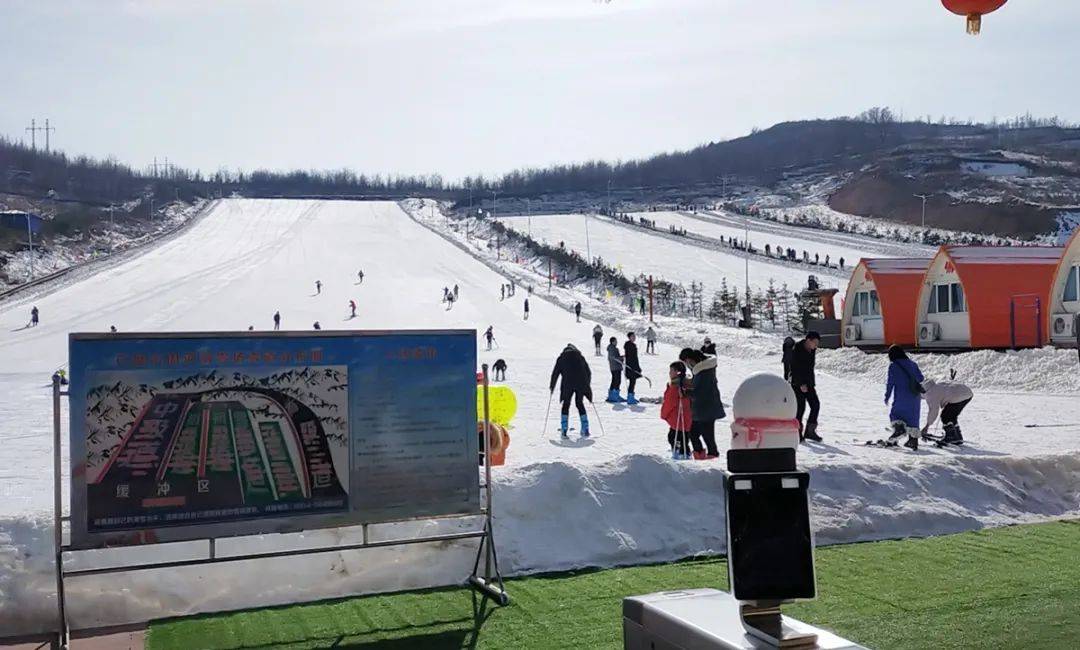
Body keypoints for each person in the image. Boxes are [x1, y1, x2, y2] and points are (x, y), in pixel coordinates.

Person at [678, 348, 724, 459]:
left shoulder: (703, 371)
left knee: (708, 438)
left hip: (706, 409)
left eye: (685, 363)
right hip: (701, 410)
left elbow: (700, 392)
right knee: (693, 434)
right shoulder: (702, 369)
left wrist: (685, 392)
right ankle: (701, 458)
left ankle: (712, 461)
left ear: (689, 360)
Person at [885, 345, 925, 450]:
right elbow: (921, 378)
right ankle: (913, 441)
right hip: (915, 395)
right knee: (913, 418)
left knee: (896, 414)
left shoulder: (893, 366)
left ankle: (899, 430)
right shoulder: (913, 364)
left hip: (902, 395)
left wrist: (887, 396)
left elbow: (890, 383)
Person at [549, 344, 593, 438]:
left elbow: (555, 373)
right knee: (579, 404)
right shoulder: (580, 357)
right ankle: (585, 428)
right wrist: (587, 385)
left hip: (567, 384)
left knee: (566, 405)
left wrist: (552, 387)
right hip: (580, 384)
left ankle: (564, 430)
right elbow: (588, 372)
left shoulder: (561, 358)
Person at [788, 331, 822, 442]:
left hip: (809, 383)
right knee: (800, 408)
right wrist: (801, 383)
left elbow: (809, 368)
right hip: (798, 384)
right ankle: (797, 432)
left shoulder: (812, 350)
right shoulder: (797, 349)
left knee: (815, 405)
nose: (816, 346)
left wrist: (809, 383)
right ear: (808, 340)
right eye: (815, 343)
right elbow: (795, 368)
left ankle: (810, 431)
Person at [920, 379, 973, 445]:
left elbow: (933, 411)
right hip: (967, 393)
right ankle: (957, 436)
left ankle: (951, 437)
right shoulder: (937, 385)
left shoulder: (930, 394)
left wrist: (927, 426)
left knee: (946, 416)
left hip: (960, 395)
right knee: (951, 415)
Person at [660, 361, 692, 459]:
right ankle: (683, 452)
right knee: (683, 437)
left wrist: (663, 414)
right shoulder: (687, 383)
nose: (669, 373)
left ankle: (681, 454)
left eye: (671, 371)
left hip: (678, 417)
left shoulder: (675, 386)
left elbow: (669, 403)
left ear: (677, 372)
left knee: (673, 437)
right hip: (687, 418)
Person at [624, 332, 642, 405]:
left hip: (633, 366)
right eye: (632, 336)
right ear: (629, 337)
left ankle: (630, 396)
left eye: (634, 336)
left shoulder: (632, 345)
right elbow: (631, 357)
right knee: (632, 381)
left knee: (633, 382)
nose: (634, 337)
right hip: (631, 367)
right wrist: (634, 367)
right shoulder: (629, 345)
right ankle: (630, 397)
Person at [606, 337, 625, 402]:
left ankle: (612, 395)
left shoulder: (613, 348)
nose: (616, 342)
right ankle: (615, 396)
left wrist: (621, 357)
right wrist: (621, 358)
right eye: (615, 341)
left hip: (615, 367)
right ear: (612, 342)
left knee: (614, 380)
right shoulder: (612, 348)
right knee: (617, 381)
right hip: (615, 367)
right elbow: (613, 358)